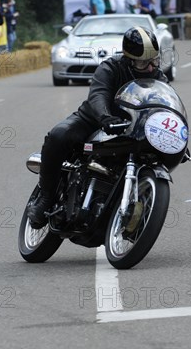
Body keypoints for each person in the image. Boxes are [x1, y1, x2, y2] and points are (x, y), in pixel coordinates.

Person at [27, 27, 168, 229]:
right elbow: (98, 95)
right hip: (94, 119)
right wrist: (105, 117)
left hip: (133, 127)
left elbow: (165, 104)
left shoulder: (159, 78)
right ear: (129, 59)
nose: (150, 67)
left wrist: (173, 132)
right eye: (143, 62)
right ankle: (45, 198)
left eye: (154, 60)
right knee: (58, 136)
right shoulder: (110, 67)